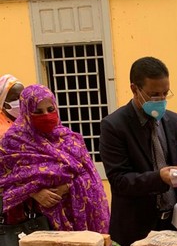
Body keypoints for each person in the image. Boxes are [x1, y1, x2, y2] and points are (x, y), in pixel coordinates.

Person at [99, 56, 177, 246]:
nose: (161, 100)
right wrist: (159, 178)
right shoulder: (114, 126)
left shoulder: (175, 121)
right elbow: (119, 180)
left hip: (174, 225)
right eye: (154, 95)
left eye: (165, 93)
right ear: (135, 89)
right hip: (136, 229)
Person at [0, 84, 110, 238]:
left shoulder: (70, 139)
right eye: (38, 112)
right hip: (35, 226)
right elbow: (5, 181)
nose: (46, 115)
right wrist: (33, 192)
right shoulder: (12, 142)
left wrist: (67, 186)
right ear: (26, 112)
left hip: (77, 222)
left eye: (50, 109)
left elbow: (90, 176)